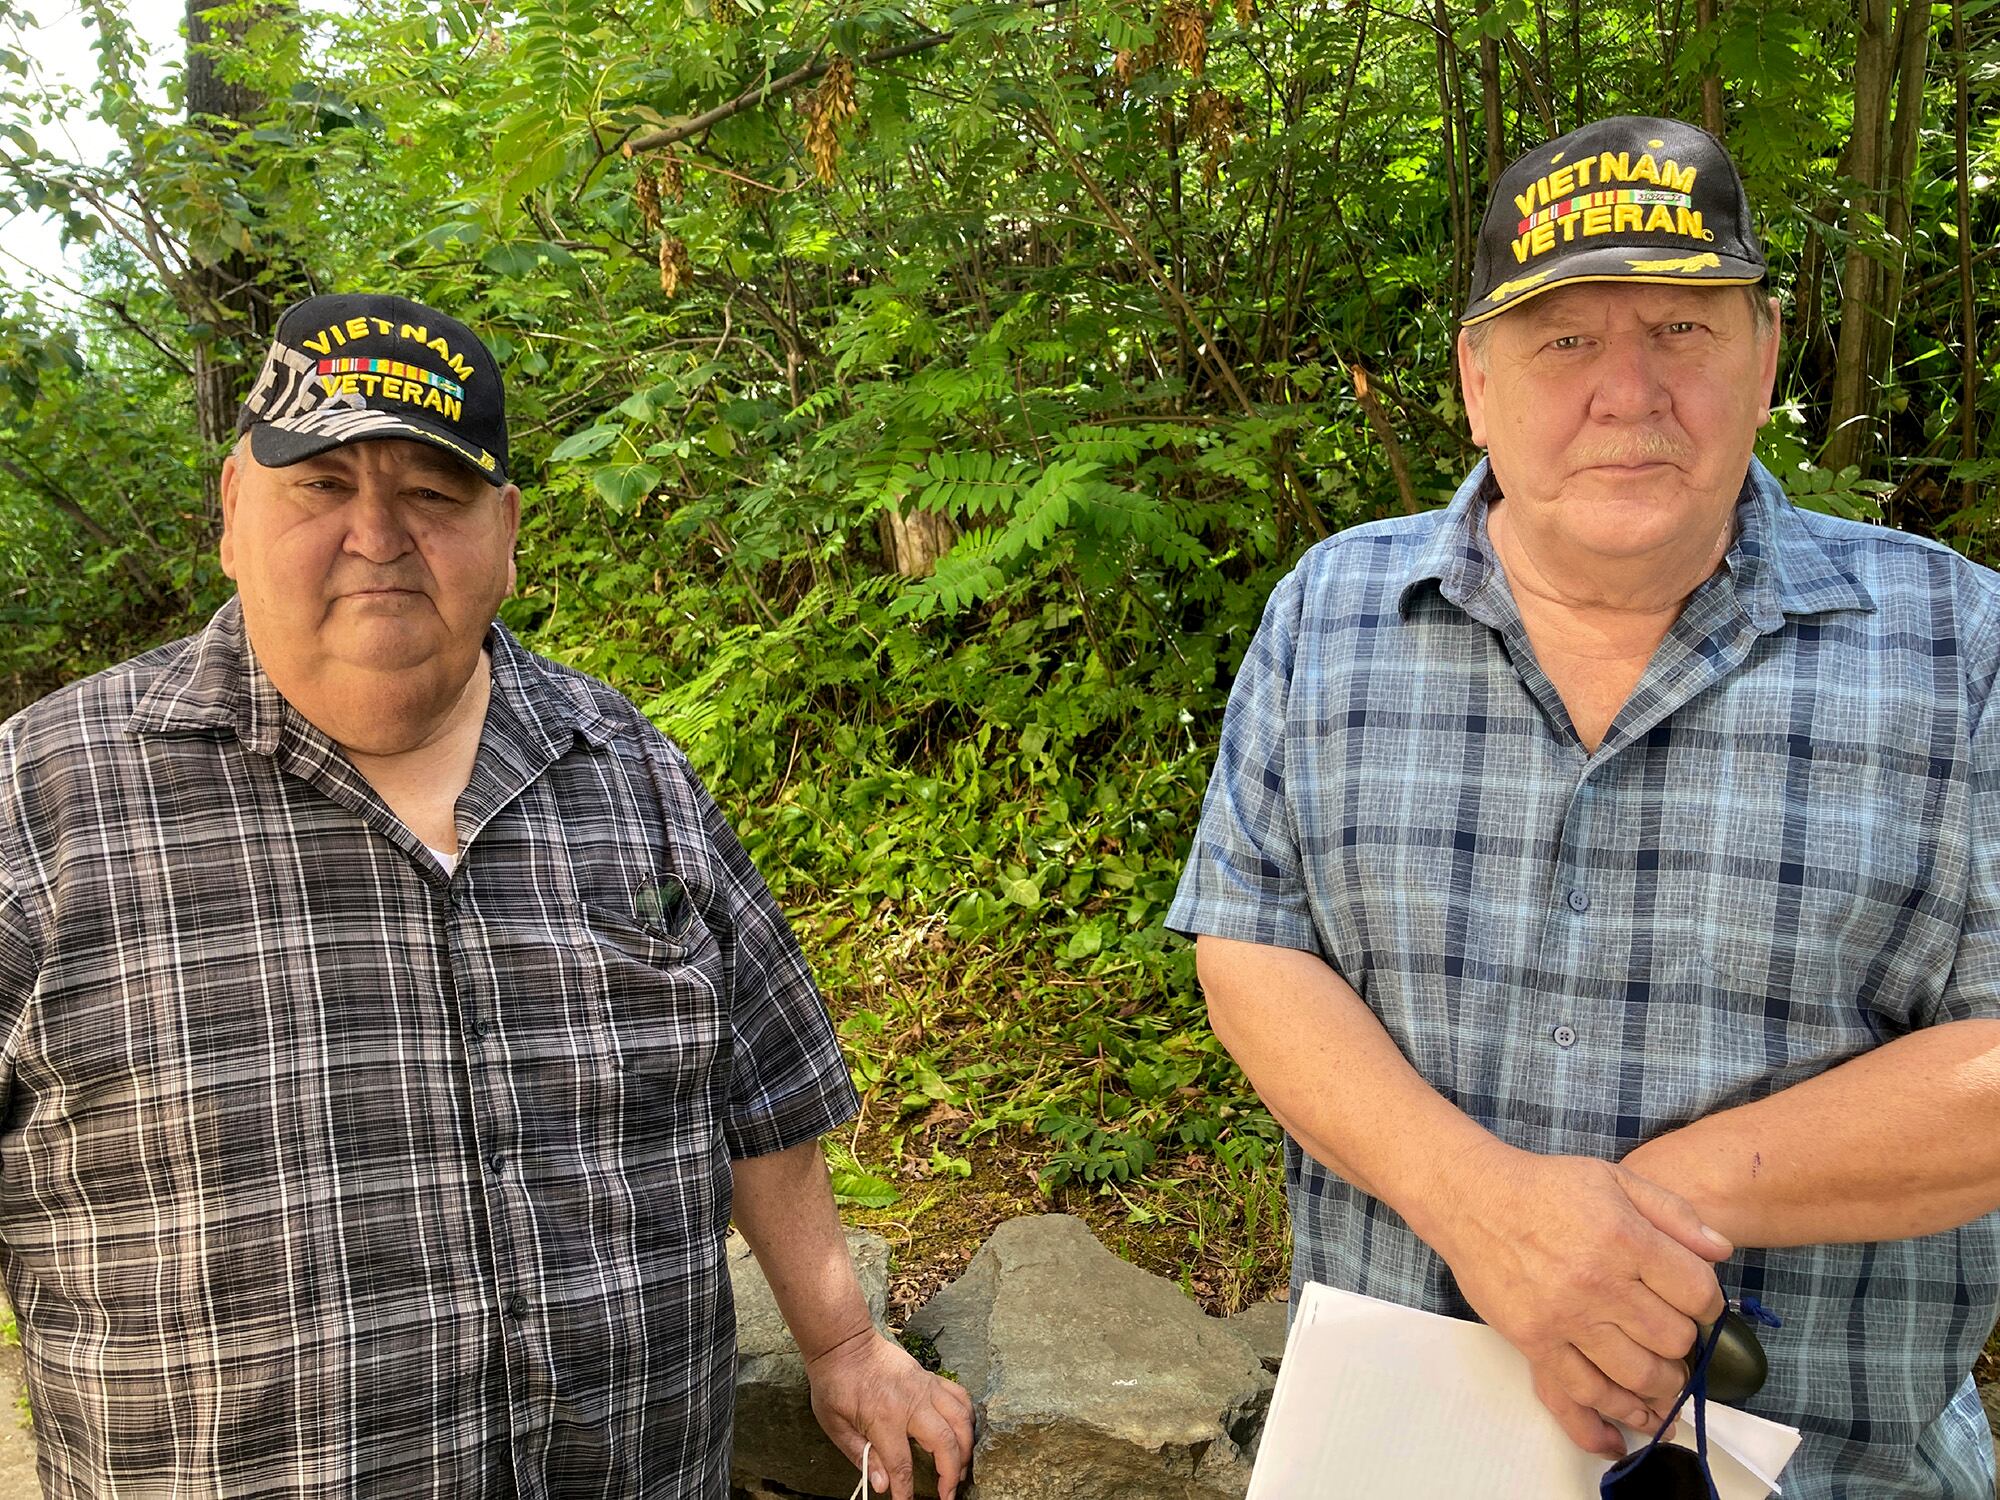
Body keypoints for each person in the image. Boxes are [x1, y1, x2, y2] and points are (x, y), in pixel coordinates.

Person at [0, 292, 973, 1498]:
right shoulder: (39, 804)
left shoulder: (627, 768)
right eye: (321, 485)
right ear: (233, 511)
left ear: (504, 529)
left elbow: (763, 1089)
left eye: (431, 492)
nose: (378, 534)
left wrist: (840, 1342)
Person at [1169, 115, 2000, 1497]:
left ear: (1765, 357)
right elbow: (1251, 949)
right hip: (1394, 1459)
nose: (1630, 390)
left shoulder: (1963, 646)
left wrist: (1636, 1217)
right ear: (1475, 381)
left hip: (1837, 1471)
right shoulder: (1330, 612)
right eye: (1564, 341)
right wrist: (1481, 1205)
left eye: (1682, 329)